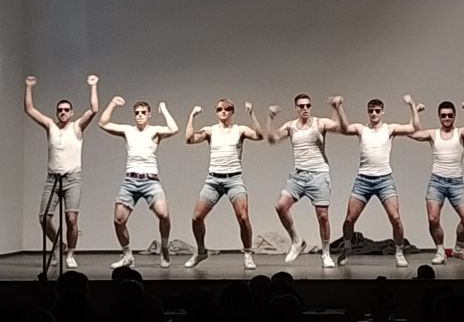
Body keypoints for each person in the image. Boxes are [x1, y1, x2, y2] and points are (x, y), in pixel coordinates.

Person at [329, 94, 421, 267]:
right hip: (363, 180)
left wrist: (412, 105)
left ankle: (399, 252)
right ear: (368, 112)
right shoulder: (361, 129)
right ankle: (347, 247)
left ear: (382, 112)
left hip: (384, 180)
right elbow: (344, 128)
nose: (374, 114)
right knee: (349, 219)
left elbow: (414, 127)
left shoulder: (389, 129)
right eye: (371, 111)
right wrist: (339, 106)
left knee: (395, 218)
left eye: (377, 111)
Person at [24, 74, 99, 269]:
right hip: (52, 179)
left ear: (71, 113)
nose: (63, 112)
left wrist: (93, 86)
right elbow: (30, 109)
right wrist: (29, 86)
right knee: (44, 218)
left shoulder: (77, 127)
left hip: (72, 179)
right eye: (60, 110)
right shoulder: (50, 126)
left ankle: (70, 254)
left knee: (71, 219)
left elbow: (93, 109)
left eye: (66, 110)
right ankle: (58, 245)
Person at [99, 96, 179, 269]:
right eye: (137, 113)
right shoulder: (128, 130)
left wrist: (164, 109)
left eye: (143, 112)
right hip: (130, 180)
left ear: (149, 114)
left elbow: (174, 129)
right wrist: (112, 104)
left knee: (164, 215)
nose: (140, 115)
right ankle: (127, 255)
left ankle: (164, 247)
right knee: (119, 219)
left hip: (151, 180)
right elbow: (103, 123)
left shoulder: (155, 131)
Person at [184, 99, 263, 270]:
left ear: (232, 111)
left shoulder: (239, 130)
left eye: (227, 109)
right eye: (220, 109)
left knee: (243, 217)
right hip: (213, 181)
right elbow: (189, 139)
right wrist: (192, 116)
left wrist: (251, 114)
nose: (223, 111)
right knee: (196, 217)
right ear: (216, 112)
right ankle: (201, 251)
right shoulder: (210, 131)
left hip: (234, 180)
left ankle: (248, 254)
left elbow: (259, 135)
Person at [267, 94, 339, 268]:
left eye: (308, 105)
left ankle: (326, 253)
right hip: (299, 176)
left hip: (319, 175)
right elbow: (272, 139)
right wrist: (270, 118)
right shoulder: (291, 126)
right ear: (296, 108)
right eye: (301, 106)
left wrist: (336, 108)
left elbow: (337, 127)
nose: (305, 108)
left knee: (323, 216)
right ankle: (296, 240)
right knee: (280, 206)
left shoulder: (319, 123)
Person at [407, 100, 464, 265]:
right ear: (439, 117)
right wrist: (415, 111)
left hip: (456, 182)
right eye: (443, 115)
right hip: (437, 182)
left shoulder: (460, 133)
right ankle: (440, 251)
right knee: (433, 219)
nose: (447, 118)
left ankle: (459, 248)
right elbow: (411, 133)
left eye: (450, 115)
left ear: (454, 116)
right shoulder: (433, 134)